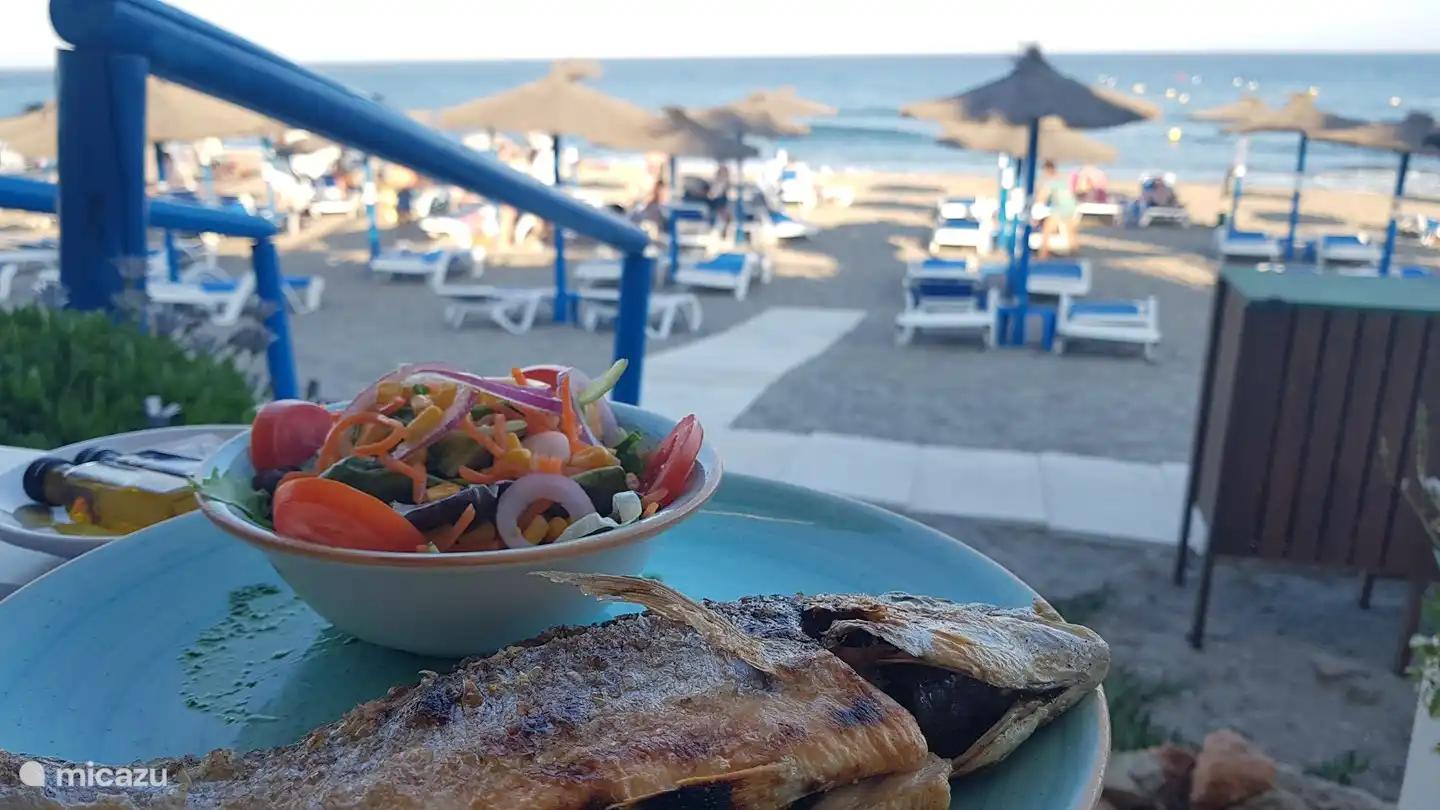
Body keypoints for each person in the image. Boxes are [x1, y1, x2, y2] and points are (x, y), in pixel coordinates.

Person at [1038, 160, 1077, 259]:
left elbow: (1042, 197)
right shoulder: (1062, 178)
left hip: (1060, 208)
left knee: (1047, 230)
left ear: (1047, 170)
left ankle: (1043, 254)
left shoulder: (1050, 181)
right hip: (1071, 206)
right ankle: (1075, 253)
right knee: (1070, 232)